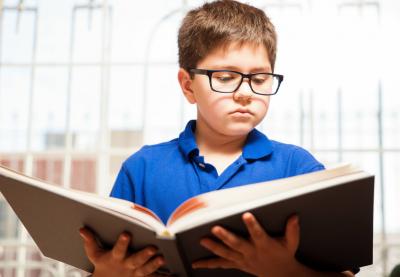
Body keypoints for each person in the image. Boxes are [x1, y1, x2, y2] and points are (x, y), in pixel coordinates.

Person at [79, 1, 358, 276]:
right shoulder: (141, 168)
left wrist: (285, 270)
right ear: (188, 86)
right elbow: (106, 263)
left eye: (260, 79)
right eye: (225, 77)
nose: (245, 93)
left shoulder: (297, 167)